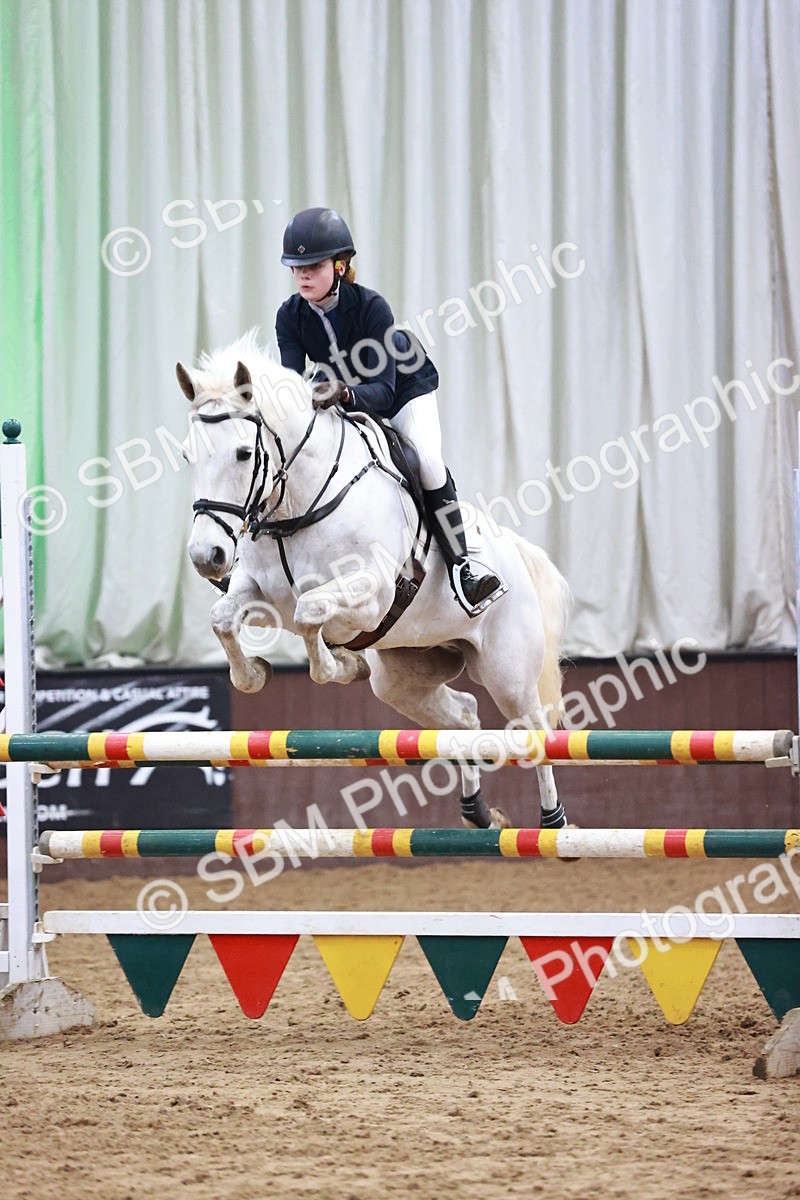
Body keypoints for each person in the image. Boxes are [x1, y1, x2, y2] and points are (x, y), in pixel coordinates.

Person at [275, 206, 506, 615]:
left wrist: (344, 394)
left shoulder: (371, 308)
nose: (303, 275)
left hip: (403, 389)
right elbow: (292, 389)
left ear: (341, 266)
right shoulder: (289, 317)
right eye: (297, 267)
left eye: (314, 265)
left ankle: (463, 568)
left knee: (428, 462)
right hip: (339, 391)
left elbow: (382, 392)